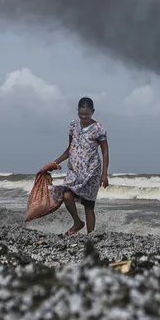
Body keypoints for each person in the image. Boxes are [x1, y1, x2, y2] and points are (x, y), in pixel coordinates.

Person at [40, 96, 109, 236]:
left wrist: (104, 174)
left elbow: (105, 152)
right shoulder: (73, 125)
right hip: (74, 171)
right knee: (66, 195)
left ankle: (91, 236)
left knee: (89, 206)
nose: (84, 117)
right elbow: (70, 149)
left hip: (91, 172)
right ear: (77, 111)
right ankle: (77, 222)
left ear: (93, 112)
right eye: (81, 114)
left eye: (87, 114)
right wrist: (54, 163)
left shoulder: (98, 128)